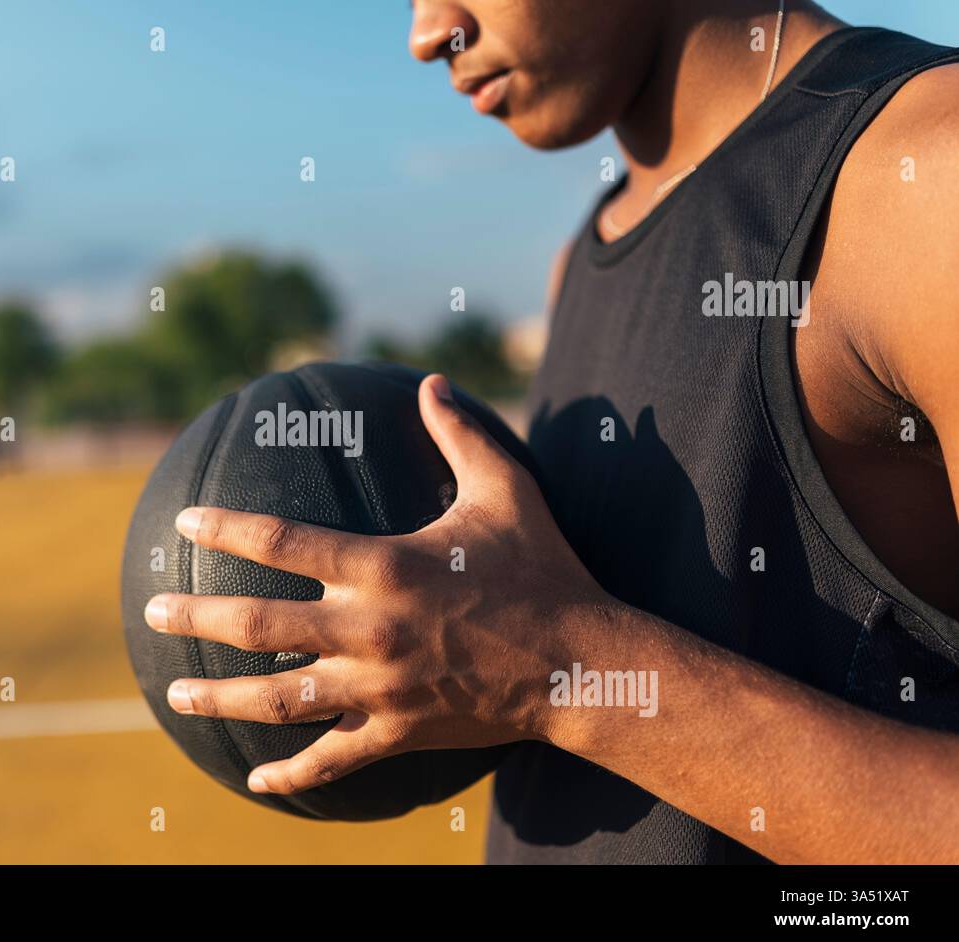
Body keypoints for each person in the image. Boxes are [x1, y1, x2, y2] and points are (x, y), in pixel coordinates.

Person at [143, 0, 959, 863]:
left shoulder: (921, 176)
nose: (428, 34)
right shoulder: (585, 254)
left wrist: (559, 672)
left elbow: (552, 658)